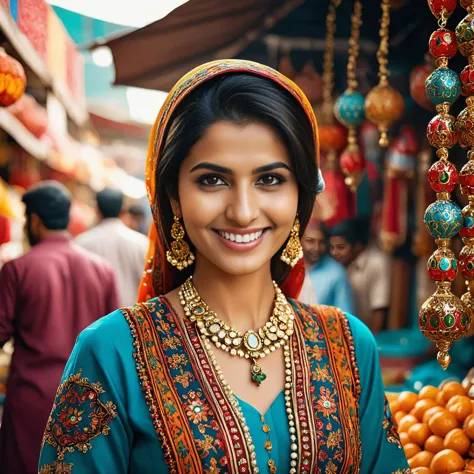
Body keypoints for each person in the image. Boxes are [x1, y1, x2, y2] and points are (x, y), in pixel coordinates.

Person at [38, 60, 409, 473]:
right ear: (173, 196)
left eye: (270, 180)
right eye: (213, 180)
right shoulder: (112, 352)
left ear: (300, 196)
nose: (243, 211)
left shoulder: (349, 347)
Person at [0, 181, 118, 474]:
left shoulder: (19, 268)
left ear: (35, 221)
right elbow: (117, 340)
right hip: (85, 404)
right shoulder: (102, 270)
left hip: (30, 400)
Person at [76, 188, 149, 307]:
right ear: (123, 210)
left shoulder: (81, 243)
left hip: (95, 320)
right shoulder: (141, 243)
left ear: (97, 209)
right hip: (133, 318)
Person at [329, 217, 392, 333]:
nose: (334, 253)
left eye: (340, 247)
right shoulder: (337, 265)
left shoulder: (376, 263)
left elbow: (379, 311)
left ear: (357, 246)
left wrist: (369, 344)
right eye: (332, 247)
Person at [302, 219, 354, 313]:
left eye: (321, 242)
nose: (316, 248)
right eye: (310, 241)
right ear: (300, 241)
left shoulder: (336, 273)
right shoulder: (288, 268)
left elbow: (345, 316)